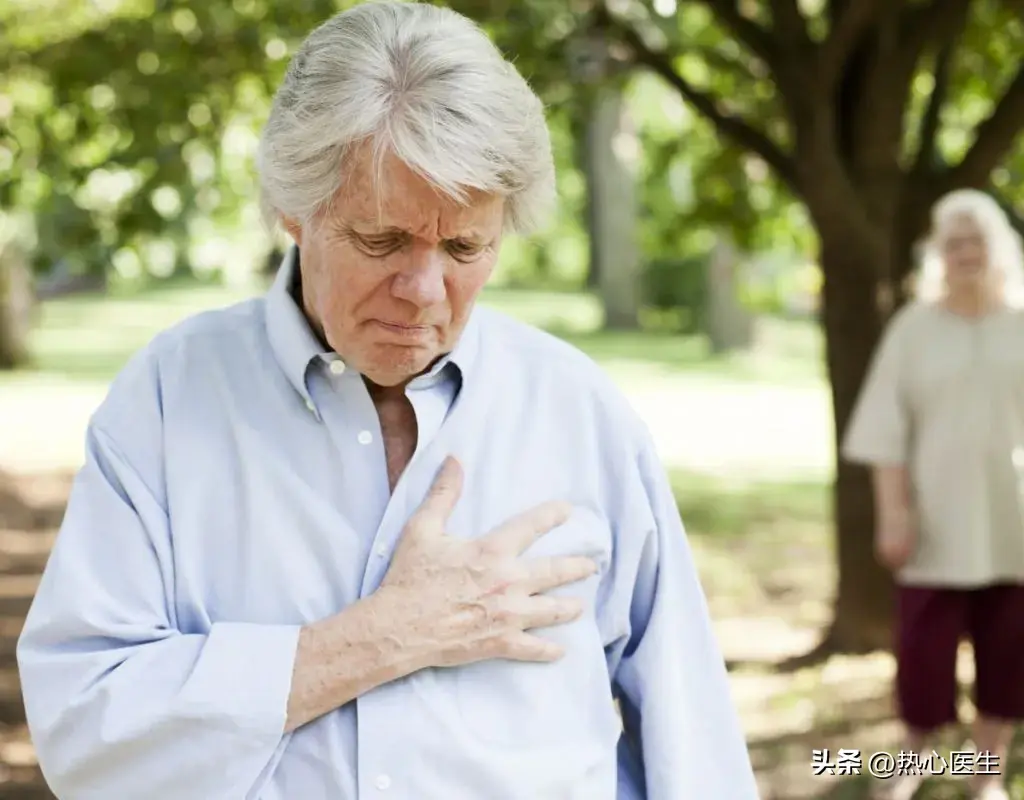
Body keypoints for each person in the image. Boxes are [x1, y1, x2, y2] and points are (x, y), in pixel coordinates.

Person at [16, 4, 757, 798]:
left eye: (466, 247)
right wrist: (377, 638)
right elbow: (85, 729)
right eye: (381, 240)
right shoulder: (169, 399)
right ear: (292, 212)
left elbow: (694, 746)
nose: (424, 291)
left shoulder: (580, 412)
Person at [842, 188, 1024, 800]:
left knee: (1008, 651)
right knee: (923, 653)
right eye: (954, 243)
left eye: (977, 240)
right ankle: (912, 769)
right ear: (938, 254)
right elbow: (884, 431)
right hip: (934, 519)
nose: (967, 253)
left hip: (1012, 520)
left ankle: (986, 776)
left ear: (997, 246)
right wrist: (894, 514)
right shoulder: (913, 329)